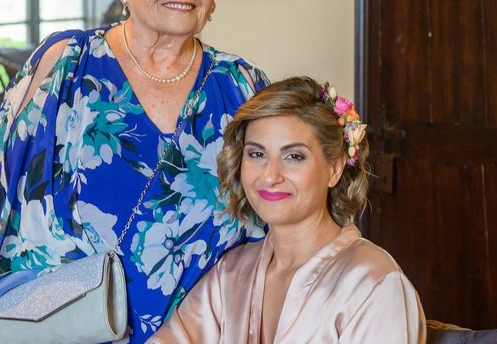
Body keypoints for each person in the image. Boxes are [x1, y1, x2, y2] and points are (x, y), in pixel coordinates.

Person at [0, 0, 269, 343]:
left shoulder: (242, 86)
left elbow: (273, 217)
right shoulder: (64, 66)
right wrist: (0, 321)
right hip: (72, 330)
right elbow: (2, 203)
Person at [149, 77, 427, 343]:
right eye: (257, 154)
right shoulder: (230, 275)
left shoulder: (374, 284)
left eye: (293, 156)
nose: (270, 176)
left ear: (334, 169)